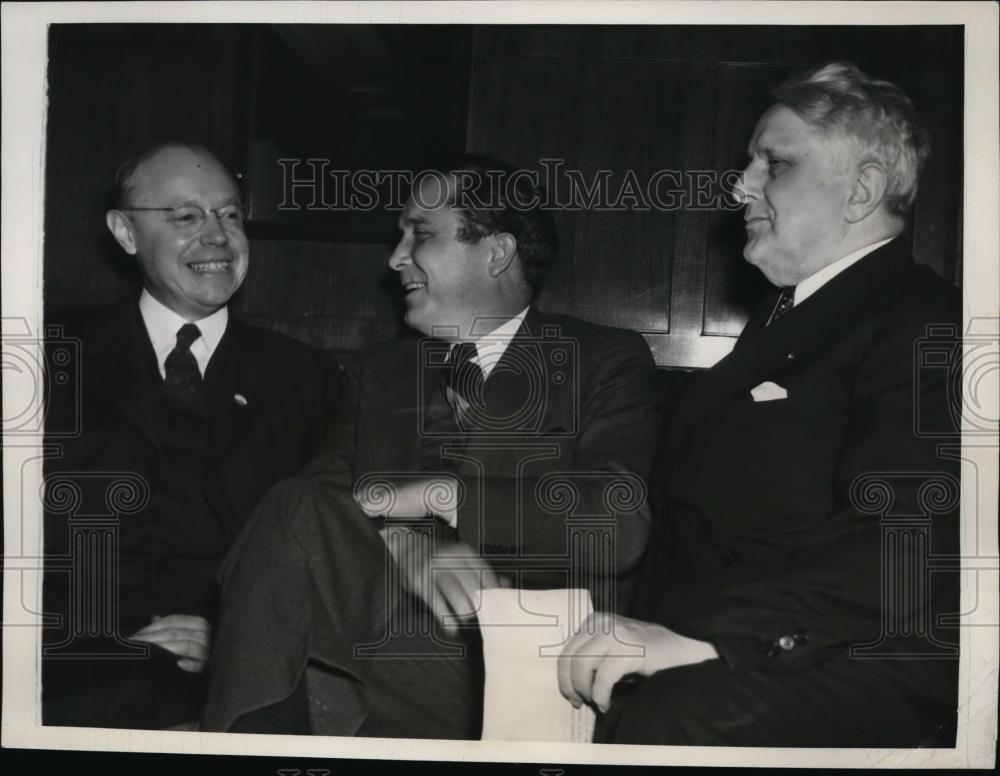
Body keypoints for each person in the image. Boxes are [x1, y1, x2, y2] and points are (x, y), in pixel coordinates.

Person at [557, 62, 961, 747]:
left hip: (843, 648)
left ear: (860, 189)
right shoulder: (791, 315)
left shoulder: (928, 323)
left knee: (671, 716)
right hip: (742, 632)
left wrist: (710, 640)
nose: (739, 184)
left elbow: (900, 540)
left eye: (772, 163)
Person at [201, 156, 662, 738]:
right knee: (294, 507)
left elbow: (618, 519)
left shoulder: (601, 360)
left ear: (496, 252)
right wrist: (400, 543)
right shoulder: (379, 374)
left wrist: (440, 496)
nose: (395, 258)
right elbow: (309, 515)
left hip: (520, 657)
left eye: (419, 233)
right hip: (374, 640)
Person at [42, 141, 340, 729]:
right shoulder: (47, 355)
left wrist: (236, 635)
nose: (218, 237)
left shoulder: (306, 379)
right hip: (59, 673)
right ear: (125, 233)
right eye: (185, 217)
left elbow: (327, 551)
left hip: (226, 681)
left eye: (230, 215)